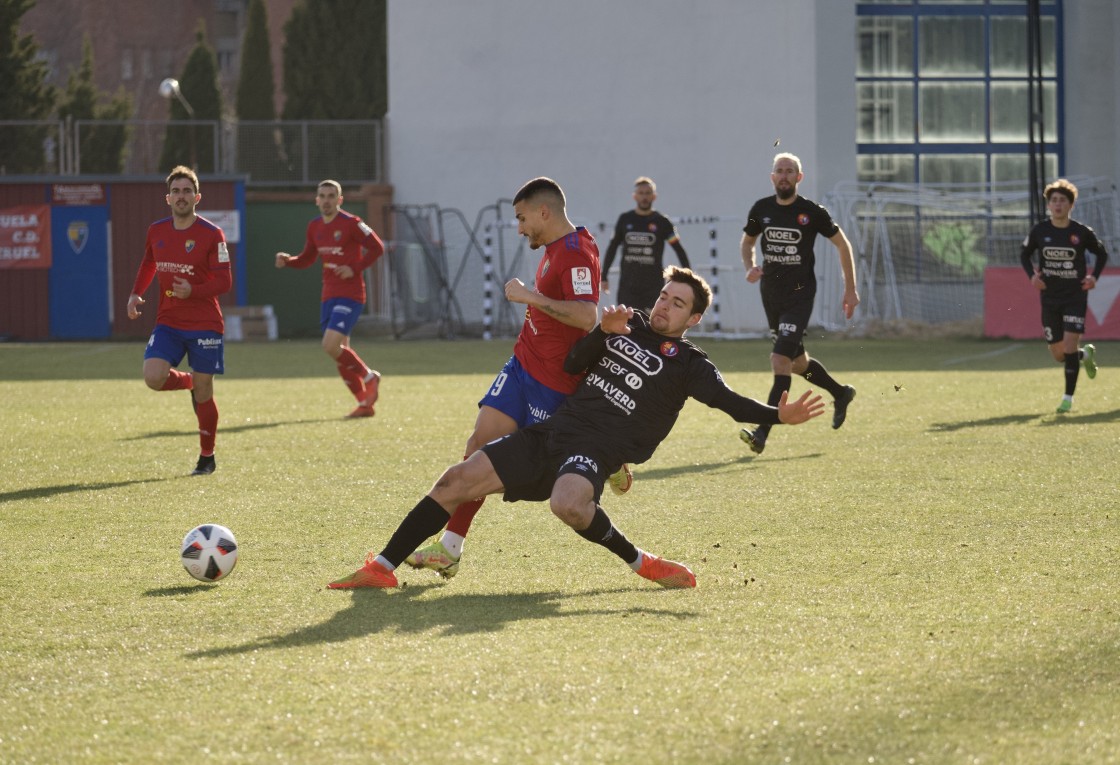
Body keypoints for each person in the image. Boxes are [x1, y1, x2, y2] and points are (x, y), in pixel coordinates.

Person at [327, 266, 824, 590]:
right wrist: (601, 334)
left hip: (595, 449)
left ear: (693, 317)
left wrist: (777, 414)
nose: (664, 305)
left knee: (566, 504)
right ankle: (383, 569)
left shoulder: (691, 364)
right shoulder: (623, 326)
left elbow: (729, 402)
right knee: (454, 481)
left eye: (677, 303)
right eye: (664, 296)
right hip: (553, 433)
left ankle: (640, 562)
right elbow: (573, 361)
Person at [404, 176, 608, 580]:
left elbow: (587, 316)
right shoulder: (553, 247)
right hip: (521, 366)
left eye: (521, 218)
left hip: (552, 383)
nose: (518, 227)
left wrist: (530, 296)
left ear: (543, 212)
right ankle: (449, 548)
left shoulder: (576, 252)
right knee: (477, 445)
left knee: (524, 468)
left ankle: (607, 456)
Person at [738, 152, 860, 455]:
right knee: (798, 364)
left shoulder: (811, 212)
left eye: (789, 171)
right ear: (772, 177)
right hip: (771, 295)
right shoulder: (761, 209)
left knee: (780, 361)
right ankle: (840, 392)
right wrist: (749, 266)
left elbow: (842, 244)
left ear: (799, 178)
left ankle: (761, 432)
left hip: (800, 295)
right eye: (779, 171)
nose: (783, 176)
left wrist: (850, 290)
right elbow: (747, 242)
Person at [126, 166, 231, 476]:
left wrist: (194, 291)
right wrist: (135, 294)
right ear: (167, 198)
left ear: (197, 197)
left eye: (187, 191)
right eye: (176, 191)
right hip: (169, 321)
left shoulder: (213, 234)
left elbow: (225, 282)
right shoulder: (156, 231)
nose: (181, 196)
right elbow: (148, 262)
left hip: (206, 324)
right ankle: (187, 380)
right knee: (153, 377)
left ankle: (206, 456)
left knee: (205, 391)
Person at [275, 180, 386, 418]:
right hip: (329, 295)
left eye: (331, 196)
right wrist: (289, 261)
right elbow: (307, 258)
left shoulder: (352, 223)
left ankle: (369, 377)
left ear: (340, 200)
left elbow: (377, 247)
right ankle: (364, 404)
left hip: (351, 295)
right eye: (322, 196)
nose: (326, 200)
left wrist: (354, 268)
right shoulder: (314, 226)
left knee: (330, 345)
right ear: (317, 200)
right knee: (339, 353)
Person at [1020, 178, 1108, 413]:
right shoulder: (1040, 231)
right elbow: (1024, 254)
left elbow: (1102, 254)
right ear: (1049, 205)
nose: (1057, 205)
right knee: (1059, 354)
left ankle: (1067, 399)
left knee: (1069, 344)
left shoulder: (1080, 232)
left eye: (1062, 201)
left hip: (1075, 296)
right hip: (1049, 297)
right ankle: (1085, 354)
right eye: (1054, 201)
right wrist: (1032, 276)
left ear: (1071, 205)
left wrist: (1093, 278)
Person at [600, 176, 690, 312]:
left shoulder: (662, 222)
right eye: (641, 193)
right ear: (635, 196)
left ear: (654, 196)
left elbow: (679, 249)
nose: (644, 197)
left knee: (652, 326)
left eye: (648, 193)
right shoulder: (625, 219)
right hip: (628, 286)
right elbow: (612, 247)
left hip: (653, 287)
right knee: (627, 325)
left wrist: (688, 278)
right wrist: (604, 275)